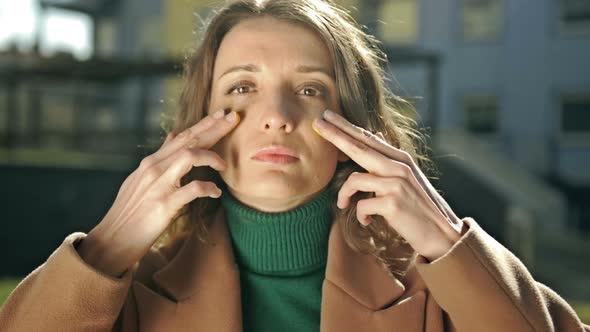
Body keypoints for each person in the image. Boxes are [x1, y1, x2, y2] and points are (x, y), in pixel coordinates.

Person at [1, 0, 588, 331]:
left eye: (310, 90)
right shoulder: (130, 297)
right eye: (241, 89)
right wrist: (103, 250)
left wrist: (445, 241)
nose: (276, 116)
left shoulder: (437, 296)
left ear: (357, 132)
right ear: (195, 126)